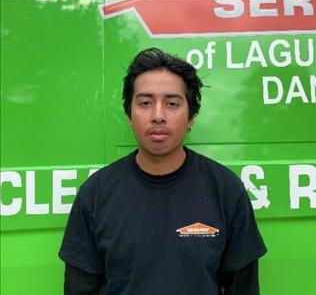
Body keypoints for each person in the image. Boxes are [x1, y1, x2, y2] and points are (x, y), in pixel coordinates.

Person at [59, 48, 267, 295]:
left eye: (172, 103)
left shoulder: (225, 190)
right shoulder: (96, 194)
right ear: (129, 114)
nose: (158, 116)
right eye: (145, 103)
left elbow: (243, 288)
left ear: (191, 116)